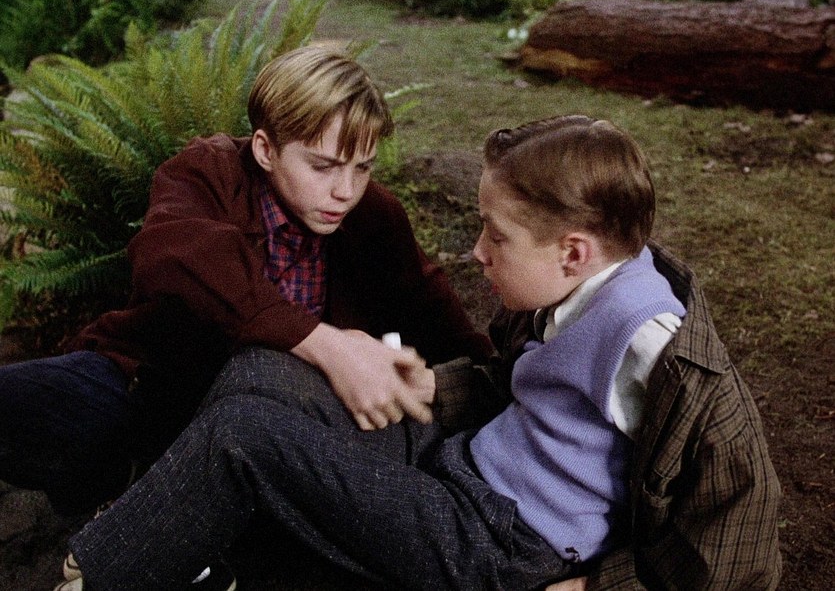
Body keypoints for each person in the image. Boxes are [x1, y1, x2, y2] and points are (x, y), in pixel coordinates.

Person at [57, 115, 782, 590]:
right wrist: (433, 386)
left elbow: (740, 540)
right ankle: (202, 546)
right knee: (265, 369)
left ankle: (95, 574)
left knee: (245, 438)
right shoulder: (574, 287)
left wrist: (600, 586)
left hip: (496, 545)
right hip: (465, 462)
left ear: (572, 251)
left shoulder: (662, 352)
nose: (477, 251)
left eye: (495, 235)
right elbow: (529, 390)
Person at [0, 44, 491, 579]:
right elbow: (169, 255)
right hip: (149, 385)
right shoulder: (208, 171)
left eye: (363, 167)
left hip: (259, 429)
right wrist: (326, 344)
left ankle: (164, 525)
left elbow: (445, 326)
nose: (344, 191)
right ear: (265, 149)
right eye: (322, 166)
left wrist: (497, 381)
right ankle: (119, 490)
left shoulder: (375, 217)